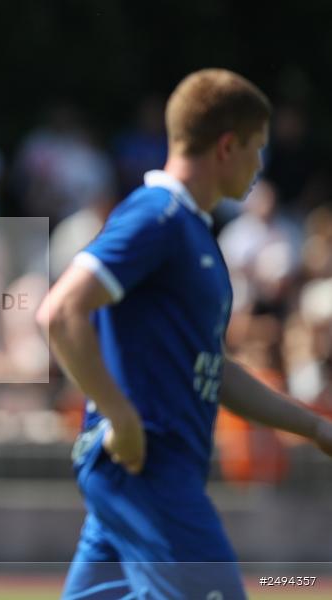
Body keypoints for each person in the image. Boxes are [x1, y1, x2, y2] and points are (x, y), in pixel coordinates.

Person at [37, 69, 332, 599]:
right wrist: (120, 415)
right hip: (146, 466)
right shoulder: (159, 215)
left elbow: (213, 371)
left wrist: (312, 428)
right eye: (255, 148)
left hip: (144, 473)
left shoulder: (194, 232)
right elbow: (60, 313)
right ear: (226, 146)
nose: (260, 164)